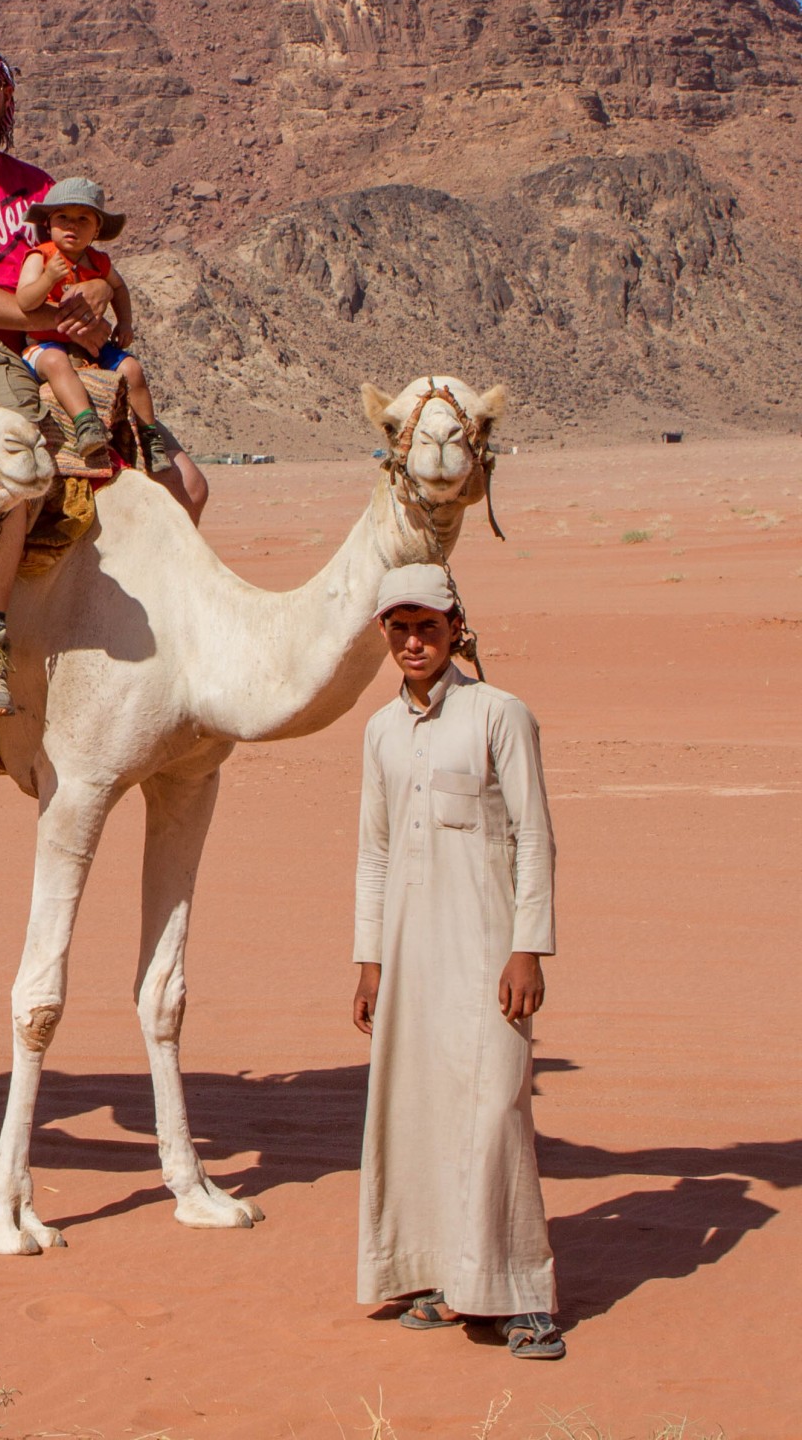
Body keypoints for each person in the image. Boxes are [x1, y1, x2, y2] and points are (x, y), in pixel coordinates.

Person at [0, 40, 195, 716]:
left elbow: (84, 266)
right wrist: (45, 312)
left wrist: (89, 309)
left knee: (185, 481)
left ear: (7, 98)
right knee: (20, 458)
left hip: (49, 343)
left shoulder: (37, 185)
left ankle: (167, 622)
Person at [352, 563, 565, 1360]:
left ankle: (523, 1298)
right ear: (385, 634)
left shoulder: (499, 715)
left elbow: (537, 836)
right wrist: (370, 960)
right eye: (400, 628)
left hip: (486, 947)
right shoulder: (379, 730)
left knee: (493, 1111)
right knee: (420, 1111)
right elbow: (373, 852)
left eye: (428, 628)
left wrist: (528, 947)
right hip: (409, 953)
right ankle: (446, 1278)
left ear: (455, 630)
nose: (414, 642)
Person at [15, 179, 206, 523]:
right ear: (48, 224)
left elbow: (120, 288)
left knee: (132, 369)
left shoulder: (100, 262)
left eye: (83, 219)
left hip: (92, 345)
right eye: (63, 218)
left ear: (97, 229)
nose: (72, 226)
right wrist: (47, 280)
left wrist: (126, 323)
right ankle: (86, 423)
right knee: (57, 362)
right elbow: (25, 301)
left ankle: (149, 438)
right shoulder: (40, 257)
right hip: (44, 344)